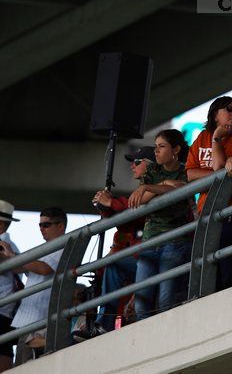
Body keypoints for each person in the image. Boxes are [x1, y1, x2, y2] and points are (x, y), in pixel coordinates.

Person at [82, 146, 153, 337]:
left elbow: (141, 210)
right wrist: (105, 207)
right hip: (137, 260)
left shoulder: (156, 185)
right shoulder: (141, 189)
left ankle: (105, 322)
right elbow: (126, 222)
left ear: (151, 165)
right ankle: (103, 323)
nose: (132, 165)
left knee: (148, 319)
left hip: (153, 257)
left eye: (137, 162)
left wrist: (111, 203)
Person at [186, 96, 232, 290]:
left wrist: (216, 139)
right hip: (206, 214)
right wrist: (214, 175)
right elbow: (189, 173)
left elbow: (218, 167)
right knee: (207, 272)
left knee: (228, 273)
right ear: (215, 114)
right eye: (229, 109)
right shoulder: (201, 137)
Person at [130, 129, 191, 320]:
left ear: (176, 149)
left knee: (166, 299)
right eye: (156, 146)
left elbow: (181, 188)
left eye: (161, 146)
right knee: (141, 302)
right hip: (149, 242)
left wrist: (149, 187)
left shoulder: (185, 170)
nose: (156, 151)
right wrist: (163, 185)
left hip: (174, 242)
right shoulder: (151, 171)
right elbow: (142, 200)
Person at [1, 208, 66, 366]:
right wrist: (6, 256)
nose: (41, 229)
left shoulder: (63, 247)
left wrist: (12, 256)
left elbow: (44, 269)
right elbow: (19, 269)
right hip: (26, 322)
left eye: (46, 225)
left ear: (61, 226)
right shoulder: (44, 249)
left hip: (39, 322)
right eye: (40, 225)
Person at [0, 201, 20, 372]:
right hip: (6, 311)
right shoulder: (10, 246)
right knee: (4, 351)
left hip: (1, 310)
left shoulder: (3, 245)